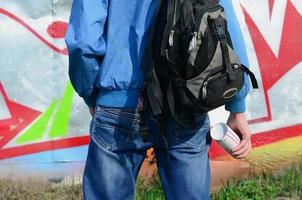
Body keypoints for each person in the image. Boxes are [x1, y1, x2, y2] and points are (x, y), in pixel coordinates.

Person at [65, 0, 252, 199]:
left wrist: (91, 94)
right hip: (184, 100)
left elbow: (83, 42)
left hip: (119, 103)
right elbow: (224, 27)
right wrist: (237, 107)